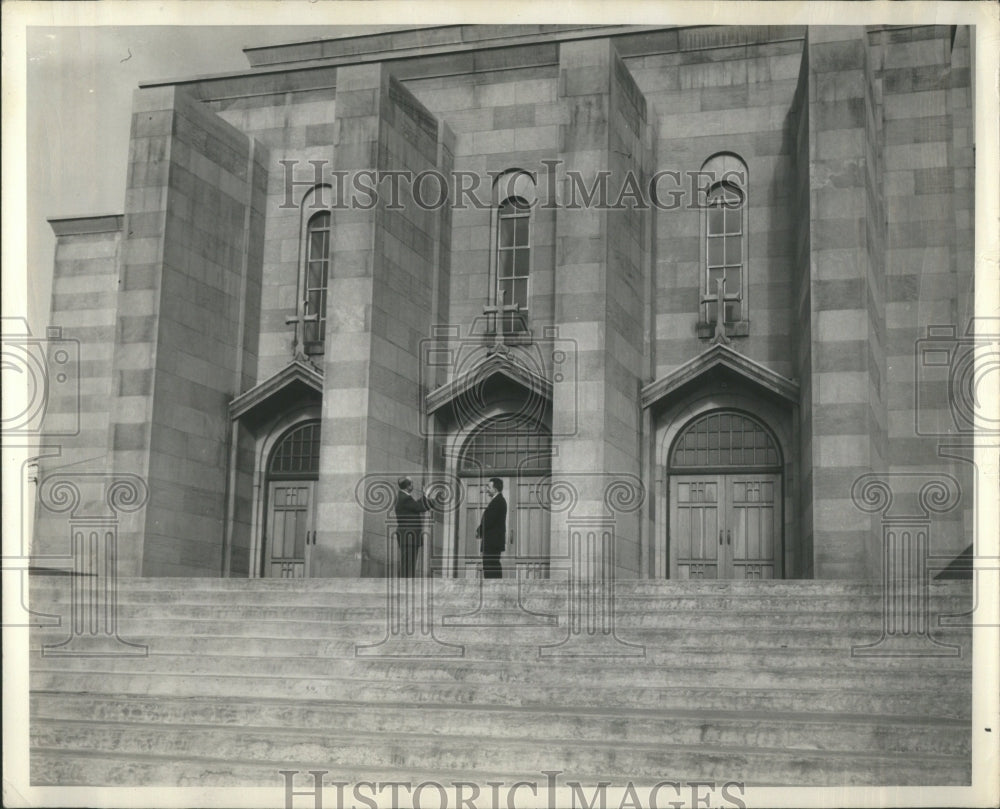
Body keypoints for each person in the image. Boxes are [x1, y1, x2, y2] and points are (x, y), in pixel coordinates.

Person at [393, 477, 431, 577]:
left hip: (407, 534)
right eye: (411, 484)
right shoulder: (405, 498)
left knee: (408, 561)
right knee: (408, 562)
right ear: (408, 486)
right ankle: (405, 584)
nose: (413, 486)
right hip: (409, 534)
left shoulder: (403, 497)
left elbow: (414, 506)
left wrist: (424, 497)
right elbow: (419, 507)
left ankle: (405, 583)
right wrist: (426, 496)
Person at [475, 477, 507, 579]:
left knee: (490, 567)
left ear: (495, 489)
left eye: (489, 487)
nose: (487, 489)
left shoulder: (498, 501)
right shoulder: (498, 501)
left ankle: (494, 589)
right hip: (493, 541)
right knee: (491, 566)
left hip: (492, 541)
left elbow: (489, 520)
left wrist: (479, 530)